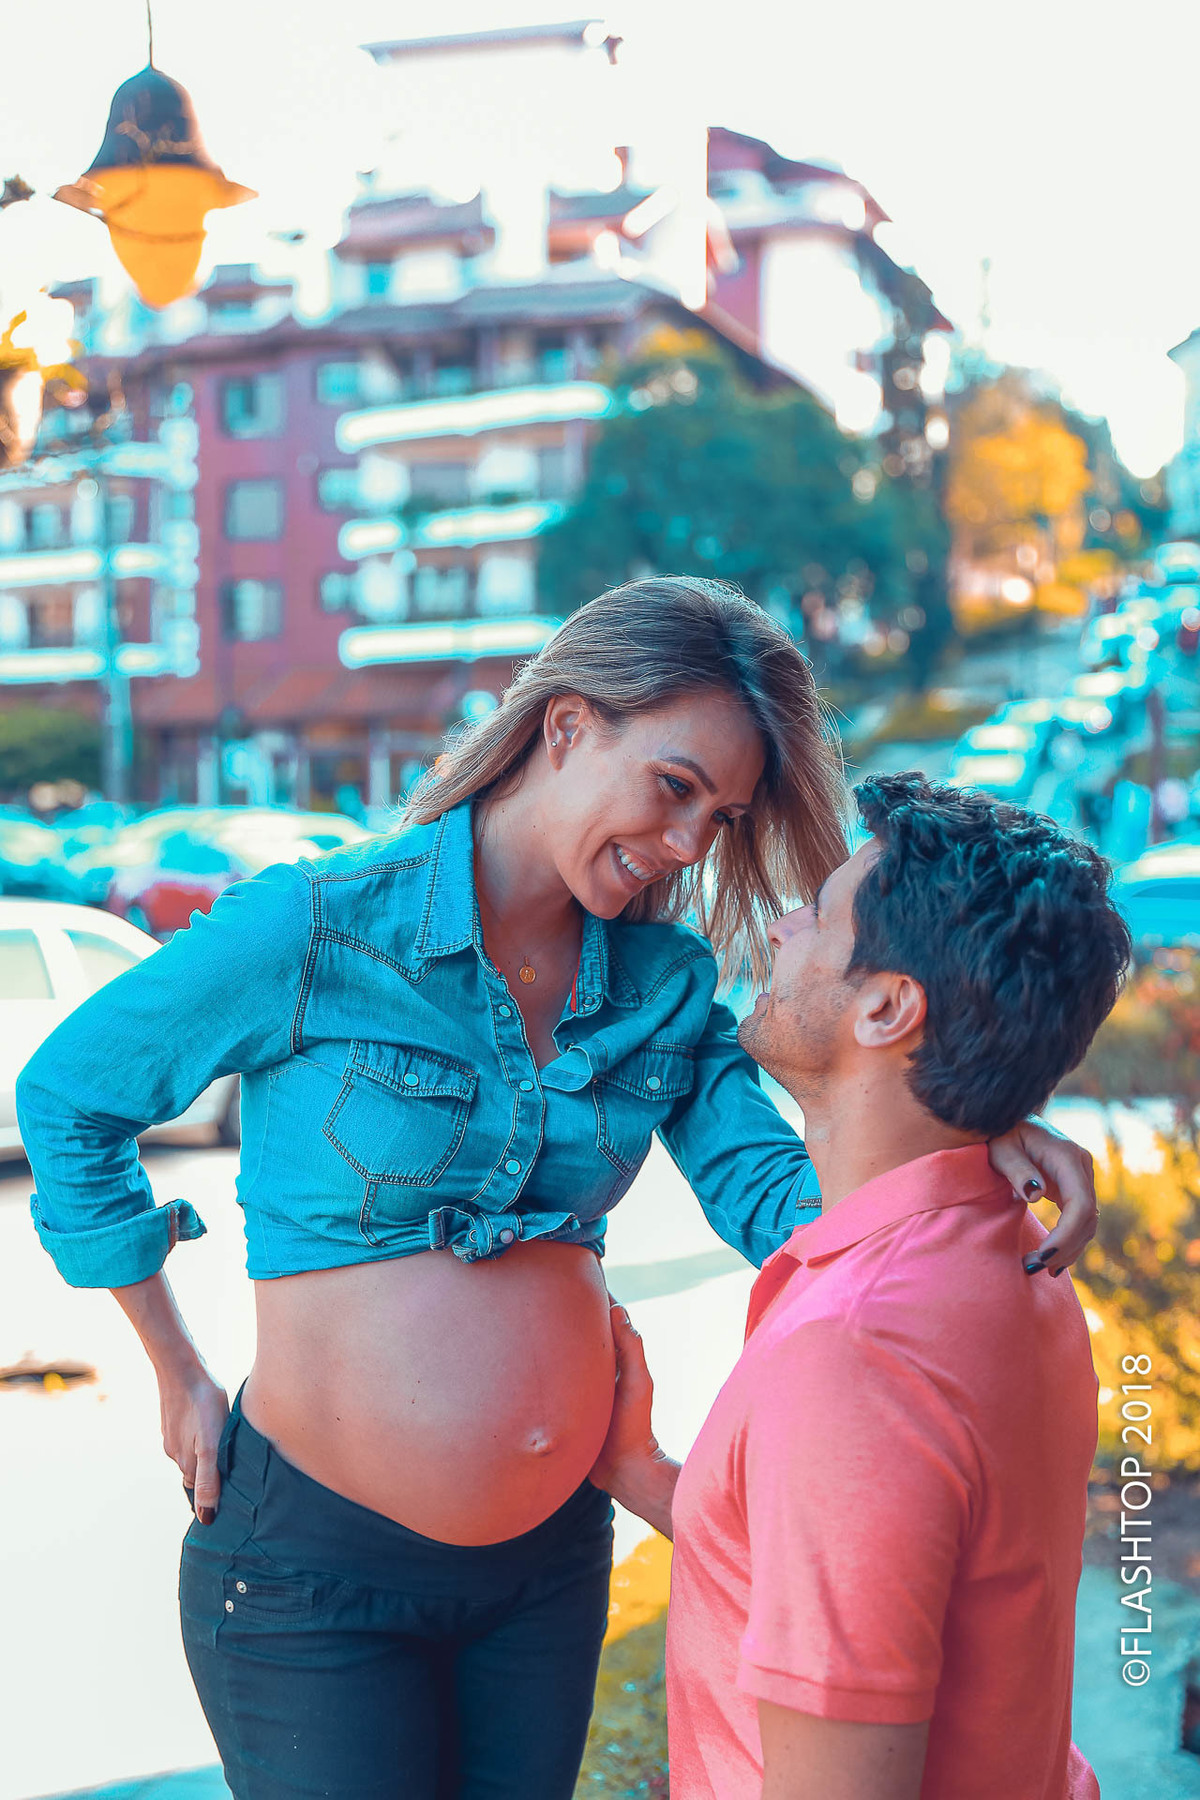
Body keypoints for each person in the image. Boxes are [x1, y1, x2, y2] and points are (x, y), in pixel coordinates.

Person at [17, 582, 1098, 1800]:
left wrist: (979, 1127)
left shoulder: (665, 985)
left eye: (723, 817)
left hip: (546, 1574)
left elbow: (786, 1191)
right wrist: (176, 1371)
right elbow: (71, 1096)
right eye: (675, 788)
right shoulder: (319, 928)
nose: (692, 845)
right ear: (569, 726)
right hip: (311, 1574)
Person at [593, 771, 1131, 1800]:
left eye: (822, 911)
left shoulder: (862, 1353)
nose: (786, 924)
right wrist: (639, 1471)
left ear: (887, 1006)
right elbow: (847, 1569)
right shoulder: (999, 1248)